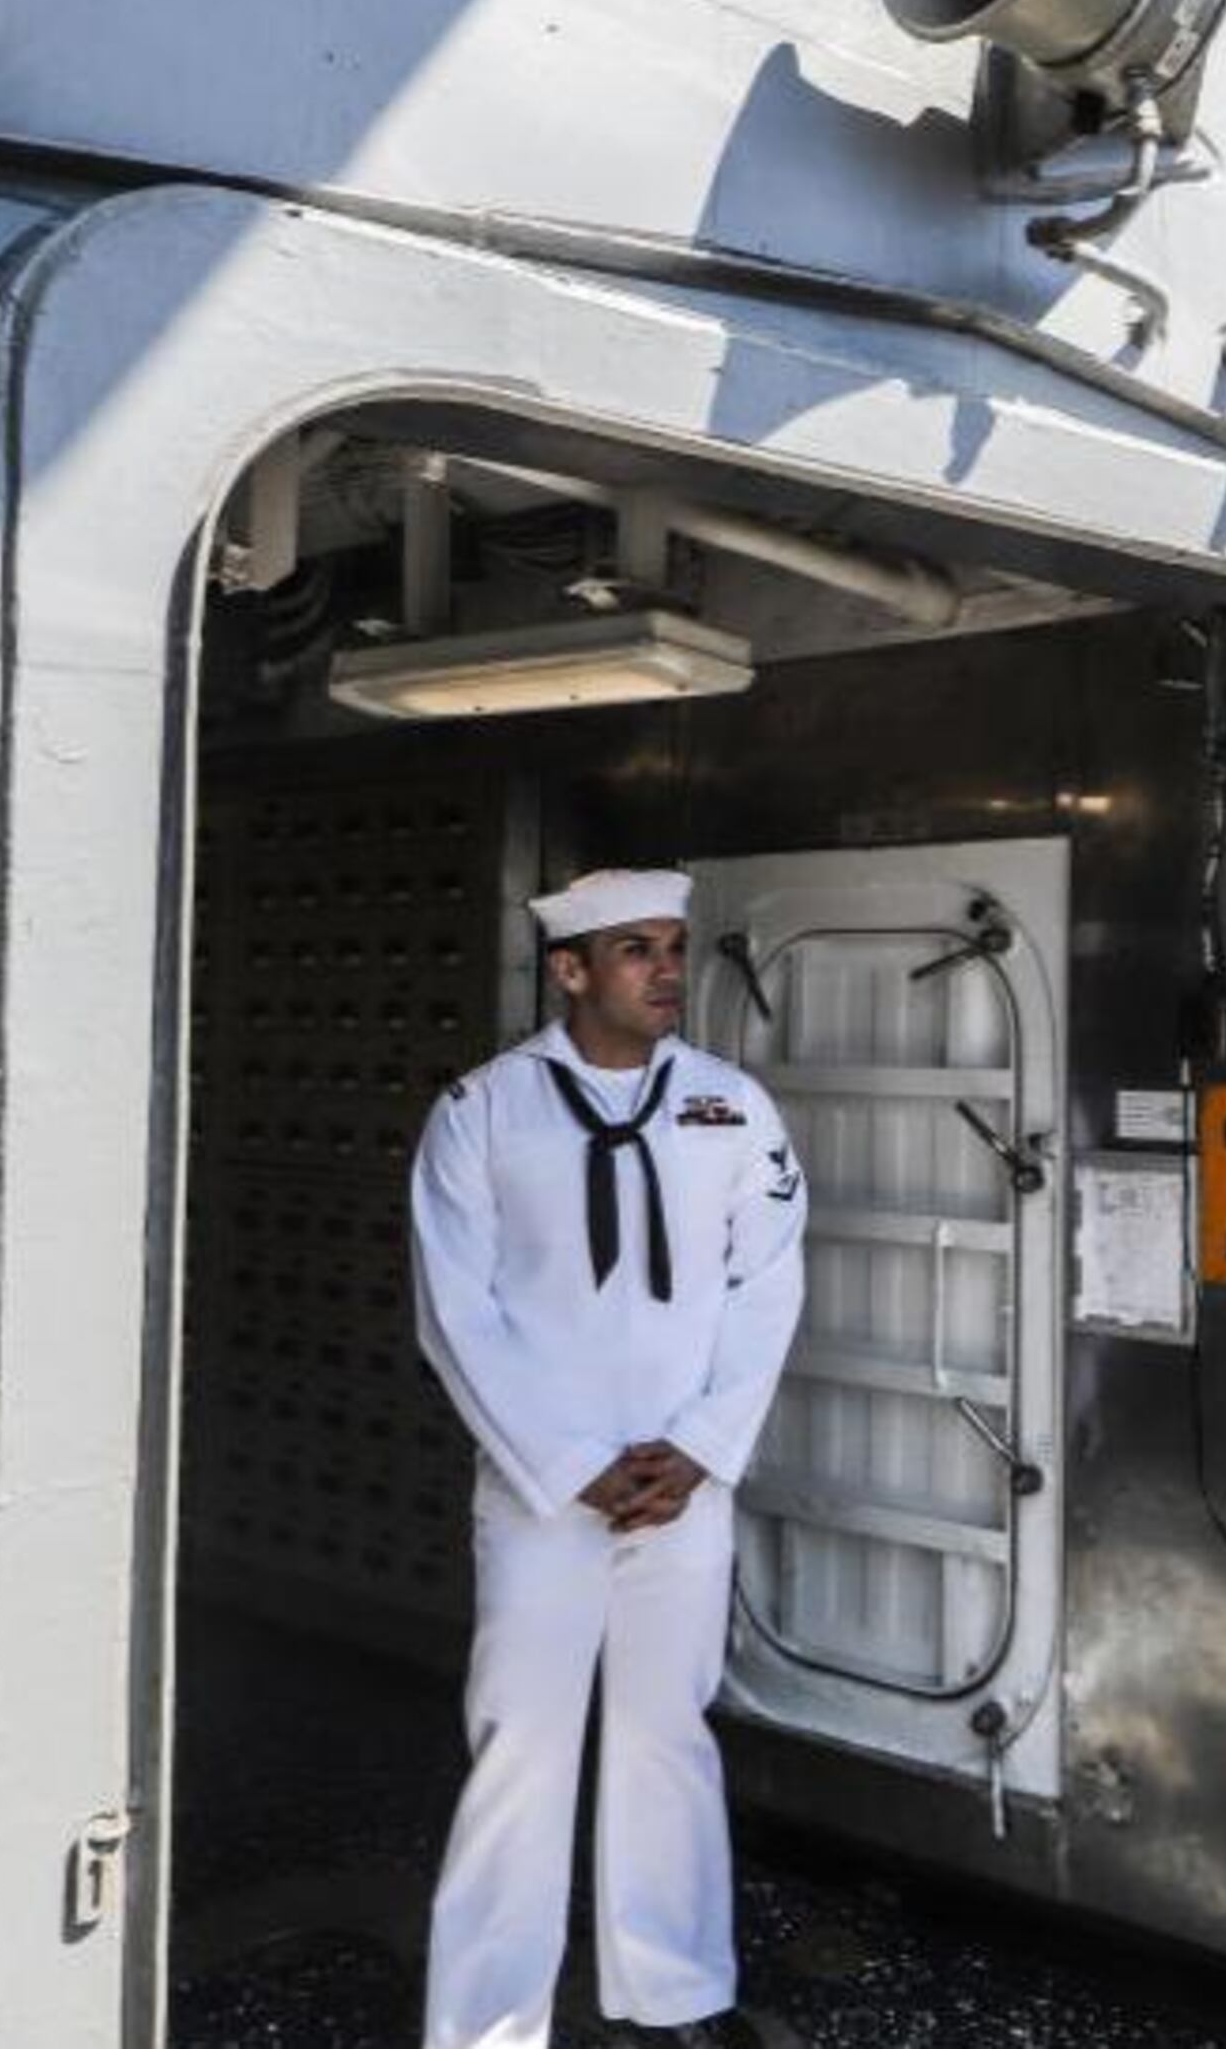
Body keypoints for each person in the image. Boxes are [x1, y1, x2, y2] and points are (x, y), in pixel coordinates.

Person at [408, 867, 810, 2049]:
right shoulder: (485, 1112)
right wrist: (570, 1459)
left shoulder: (733, 1106)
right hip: (542, 1491)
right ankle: (487, 2023)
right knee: (522, 1746)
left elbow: (769, 1281)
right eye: (635, 950)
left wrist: (697, 1448)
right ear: (570, 969)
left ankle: (678, 1994)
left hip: (683, 1487)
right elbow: (455, 1310)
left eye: (675, 948)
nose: (667, 971)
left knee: (668, 1736)